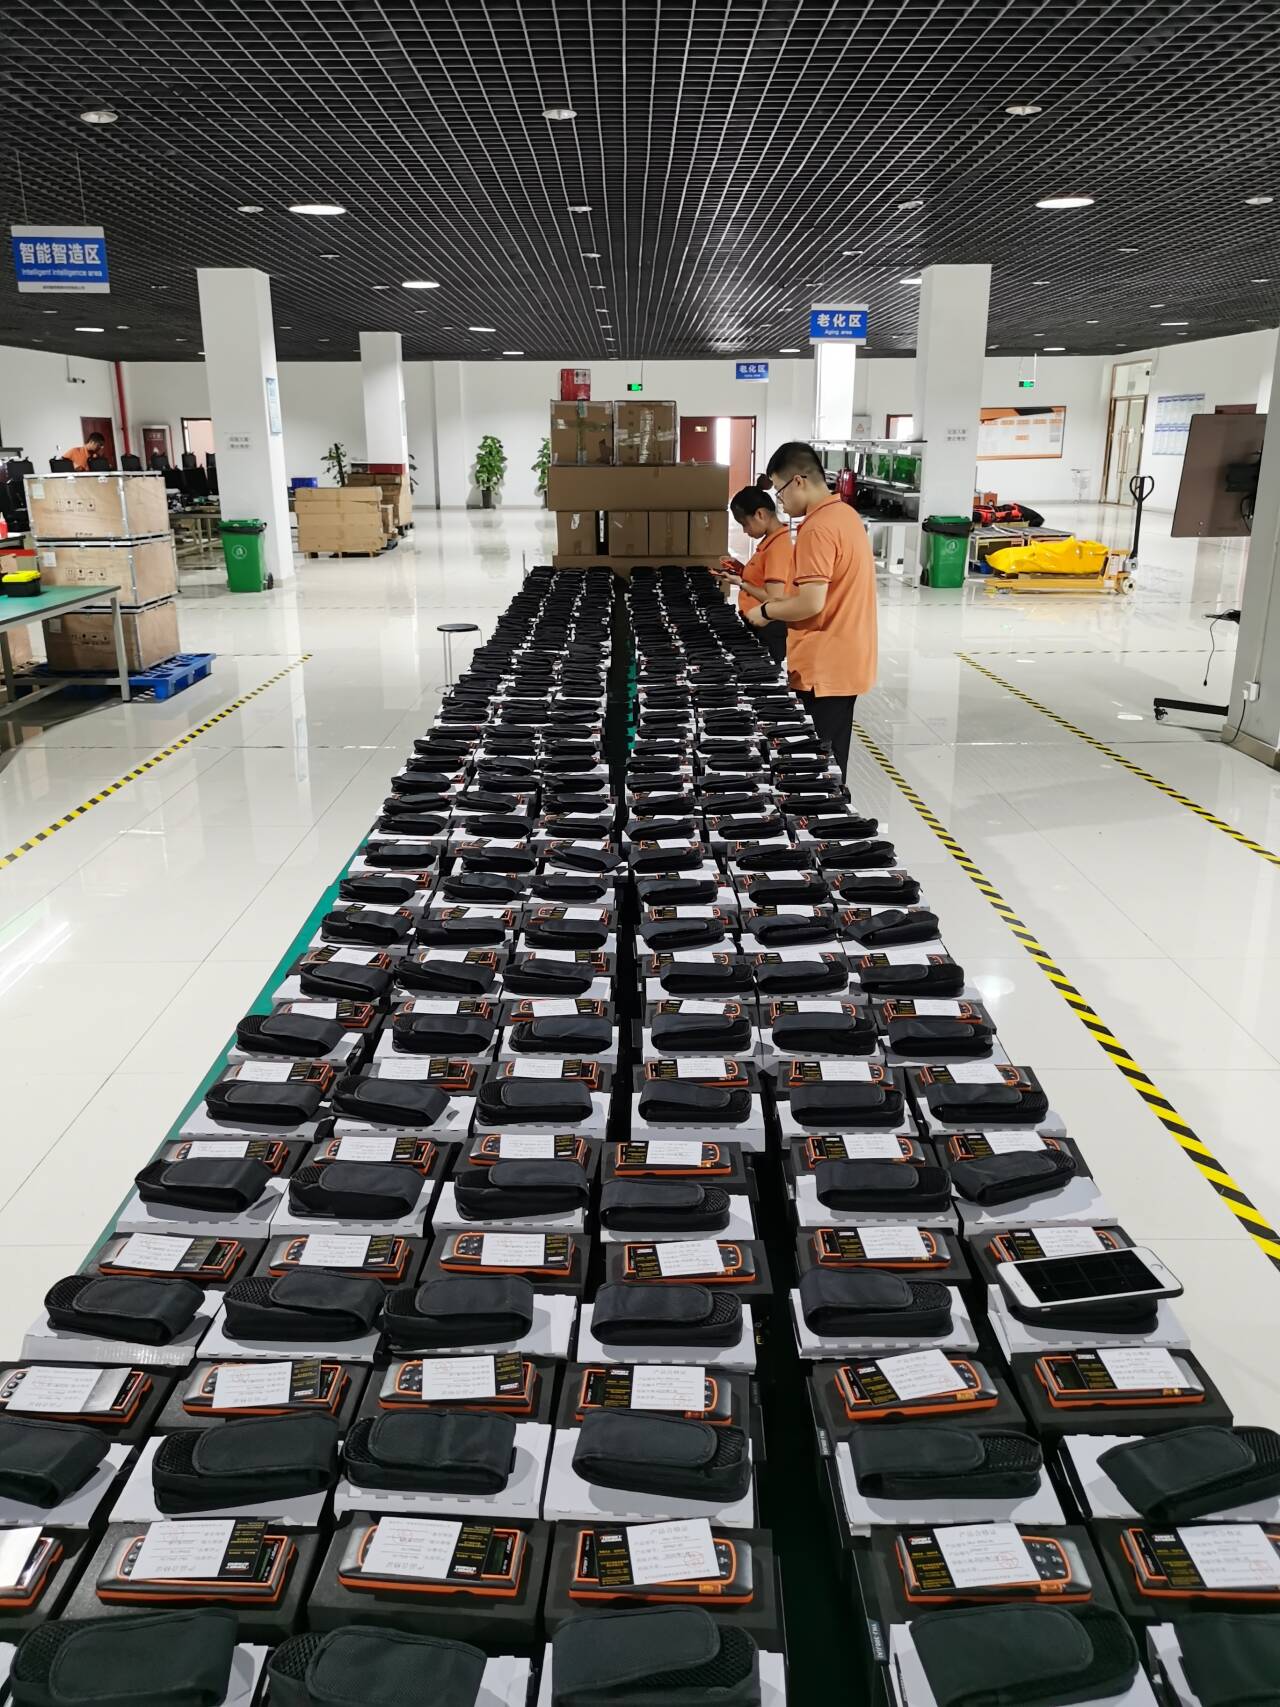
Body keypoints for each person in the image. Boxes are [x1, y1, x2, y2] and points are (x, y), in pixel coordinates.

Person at [743, 439, 877, 774]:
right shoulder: (845, 515)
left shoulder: (817, 529)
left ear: (798, 482)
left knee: (817, 771)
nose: (781, 501)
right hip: (846, 657)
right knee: (830, 761)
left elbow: (811, 602)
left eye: (780, 491)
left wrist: (765, 612)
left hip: (825, 665)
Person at [714, 483, 794, 666]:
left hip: (768, 627)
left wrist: (740, 582)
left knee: (762, 673)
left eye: (745, 524)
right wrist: (739, 568)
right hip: (758, 622)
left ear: (760, 514)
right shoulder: (771, 541)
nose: (745, 530)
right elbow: (761, 579)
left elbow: (773, 598)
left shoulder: (778, 548)